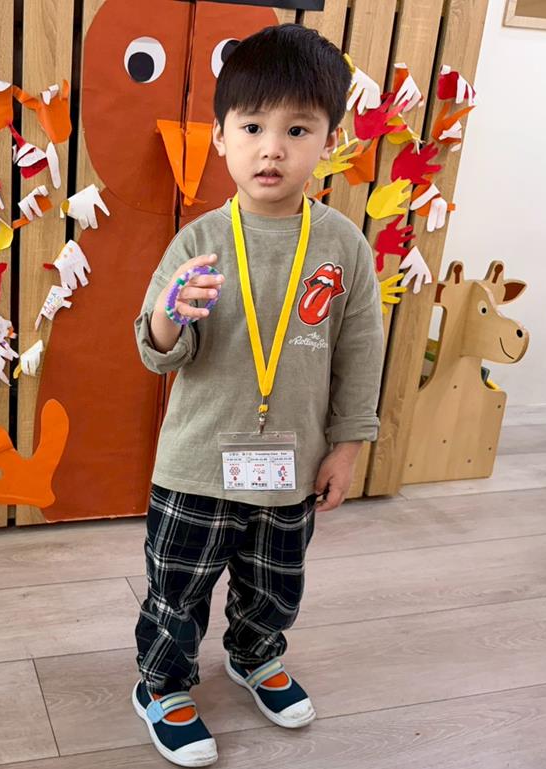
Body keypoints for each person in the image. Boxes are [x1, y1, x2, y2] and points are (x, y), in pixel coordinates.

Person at [131, 24, 384, 767]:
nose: (272, 148)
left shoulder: (344, 246)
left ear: (329, 142)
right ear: (220, 137)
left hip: (292, 465)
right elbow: (157, 350)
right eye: (252, 128)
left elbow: (360, 353)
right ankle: (161, 684)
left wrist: (347, 447)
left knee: (275, 583)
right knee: (177, 588)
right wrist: (169, 314)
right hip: (195, 464)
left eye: (297, 130)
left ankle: (254, 654)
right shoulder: (197, 242)